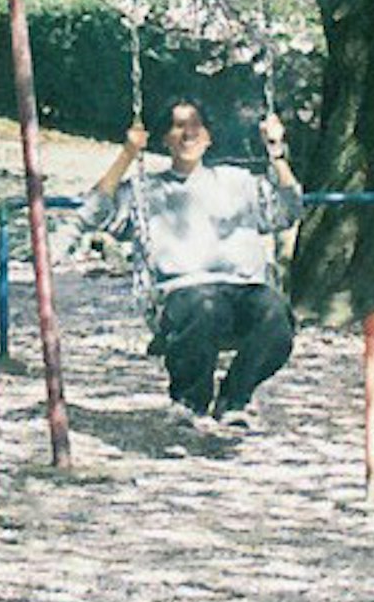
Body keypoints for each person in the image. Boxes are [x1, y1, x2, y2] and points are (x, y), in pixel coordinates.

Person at [87, 97, 300, 425]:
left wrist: (276, 151)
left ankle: (234, 400)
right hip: (184, 295)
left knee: (276, 315)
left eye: (195, 125)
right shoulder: (147, 190)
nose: (188, 134)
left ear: (209, 136)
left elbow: (289, 210)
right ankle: (190, 401)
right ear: (164, 139)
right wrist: (127, 154)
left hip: (243, 291)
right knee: (203, 305)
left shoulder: (238, 181)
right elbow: (95, 212)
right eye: (178, 126)